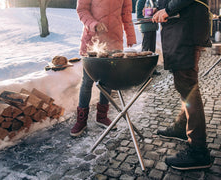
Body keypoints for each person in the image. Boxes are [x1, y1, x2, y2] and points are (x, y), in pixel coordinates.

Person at [152, 0, 212, 170]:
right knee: (185, 85)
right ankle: (181, 127)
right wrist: (162, 6)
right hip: (184, 26)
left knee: (188, 85)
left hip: (186, 27)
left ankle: (198, 150)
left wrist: (168, 9)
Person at [70, 0, 137, 137]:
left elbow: (126, 14)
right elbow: (81, 10)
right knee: (87, 82)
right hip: (92, 41)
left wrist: (130, 35)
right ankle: (81, 121)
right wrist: (94, 24)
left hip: (114, 41)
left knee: (107, 81)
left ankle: (101, 117)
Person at [136, 0, 161, 76]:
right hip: (146, 28)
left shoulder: (153, 1)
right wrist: (146, 17)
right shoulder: (141, 1)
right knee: (146, 50)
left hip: (153, 27)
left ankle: (152, 69)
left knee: (152, 50)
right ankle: (144, 70)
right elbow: (139, 16)